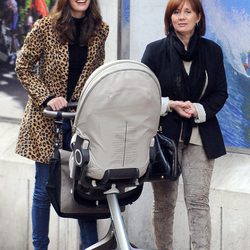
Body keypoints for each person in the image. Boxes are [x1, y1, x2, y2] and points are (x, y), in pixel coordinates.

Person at [15, 0, 109, 249]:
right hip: (47, 121)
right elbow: (22, 66)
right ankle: (40, 246)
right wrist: (47, 96)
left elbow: (97, 75)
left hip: (81, 122)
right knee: (44, 188)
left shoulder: (101, 31)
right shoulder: (45, 27)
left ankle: (89, 246)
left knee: (85, 189)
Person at [141, 0, 228, 249]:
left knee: (198, 202)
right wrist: (170, 105)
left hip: (201, 136)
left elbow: (220, 92)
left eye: (187, 11)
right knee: (165, 204)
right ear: (169, 19)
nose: (181, 17)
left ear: (198, 17)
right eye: (176, 12)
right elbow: (142, 94)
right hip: (165, 138)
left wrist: (199, 109)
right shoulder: (154, 51)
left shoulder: (213, 51)